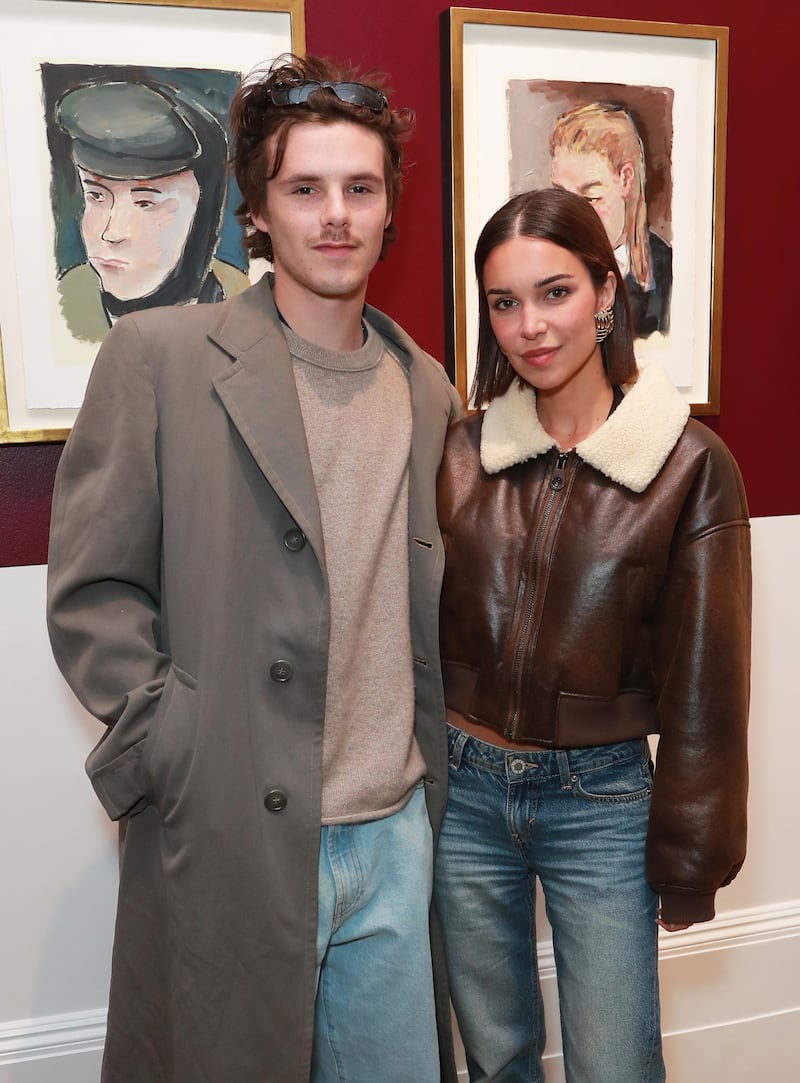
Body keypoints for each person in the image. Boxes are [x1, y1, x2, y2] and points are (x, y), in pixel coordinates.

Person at [47, 53, 463, 1083]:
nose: (335, 215)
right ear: (258, 212)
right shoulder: (160, 360)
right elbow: (92, 593)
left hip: (394, 837)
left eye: (359, 189)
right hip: (230, 834)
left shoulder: (426, 390)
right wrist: (174, 746)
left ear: (386, 210)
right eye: (304, 189)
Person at [434, 187, 750, 1082]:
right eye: (505, 302)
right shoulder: (462, 453)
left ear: (607, 291)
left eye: (555, 292)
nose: (530, 325)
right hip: (465, 795)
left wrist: (693, 860)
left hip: (601, 802)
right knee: (494, 1057)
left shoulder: (688, 467)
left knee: (615, 1062)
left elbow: (708, 685)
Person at [55, 78, 249, 342]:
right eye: (97, 196)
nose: (111, 233)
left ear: (202, 209)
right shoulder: (64, 308)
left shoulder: (243, 304)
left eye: (145, 203)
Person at [550, 100, 672, 338]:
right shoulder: (545, 265)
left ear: (626, 180)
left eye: (590, 198)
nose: (573, 218)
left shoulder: (666, 271)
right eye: (562, 197)